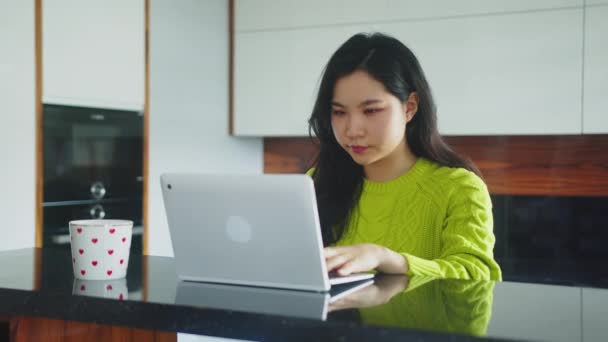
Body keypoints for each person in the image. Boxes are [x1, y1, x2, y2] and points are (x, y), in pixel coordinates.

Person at [307, 32, 501, 280]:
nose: (352, 130)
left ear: (409, 107)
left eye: (371, 110)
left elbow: (477, 278)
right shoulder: (316, 182)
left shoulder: (460, 188)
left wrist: (385, 258)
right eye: (339, 112)